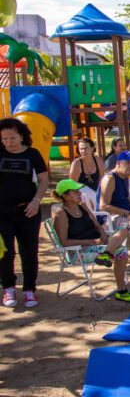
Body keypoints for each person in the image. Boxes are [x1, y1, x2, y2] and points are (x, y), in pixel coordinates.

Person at [52, 179, 130, 302]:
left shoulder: (81, 206)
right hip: (78, 251)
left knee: (128, 226)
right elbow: (64, 242)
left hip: (96, 244)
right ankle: (122, 291)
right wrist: (89, 242)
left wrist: (103, 234)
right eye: (75, 192)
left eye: (79, 191)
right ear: (65, 195)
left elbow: (97, 225)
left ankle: (106, 254)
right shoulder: (61, 214)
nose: (79, 193)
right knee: (122, 251)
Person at [0, 118, 49, 308]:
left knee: (29, 251)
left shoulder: (33, 154)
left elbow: (44, 180)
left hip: (28, 210)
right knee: (5, 252)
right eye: (4, 139)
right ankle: (8, 287)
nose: (8, 143)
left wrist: (37, 201)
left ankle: (29, 290)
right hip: (2, 212)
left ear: (21, 136)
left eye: (11, 138)